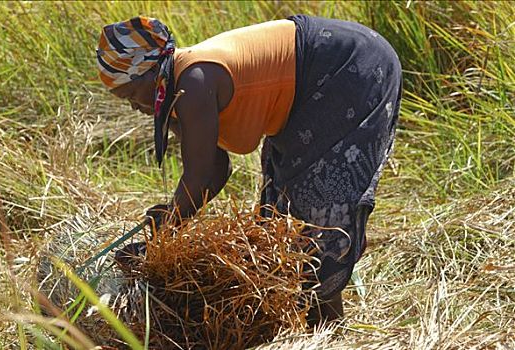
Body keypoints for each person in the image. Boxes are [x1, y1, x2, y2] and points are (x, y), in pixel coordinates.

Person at [96, 14, 402, 322]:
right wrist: (170, 221)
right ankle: (319, 327)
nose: (134, 106)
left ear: (150, 72)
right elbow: (215, 169)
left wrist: (166, 229)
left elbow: (199, 175)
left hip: (345, 65)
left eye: (131, 94)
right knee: (281, 221)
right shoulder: (177, 90)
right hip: (309, 88)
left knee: (318, 212)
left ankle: (330, 329)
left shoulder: (193, 82)